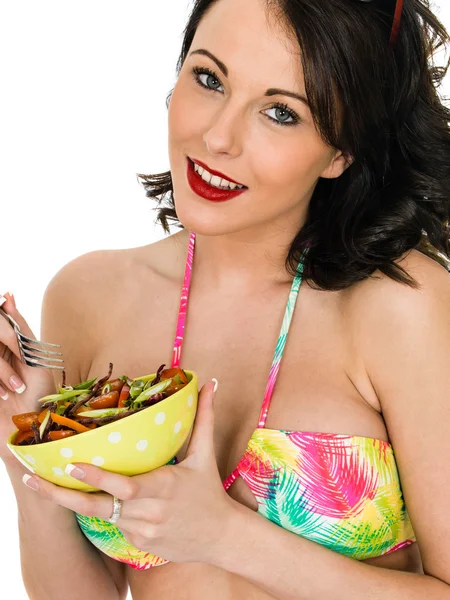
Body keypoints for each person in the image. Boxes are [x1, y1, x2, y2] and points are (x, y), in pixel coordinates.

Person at [1, 0, 450, 597]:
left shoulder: (400, 305)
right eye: (209, 78)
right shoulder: (89, 297)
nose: (216, 137)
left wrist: (224, 536)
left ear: (342, 151)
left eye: (281, 112)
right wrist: (21, 444)